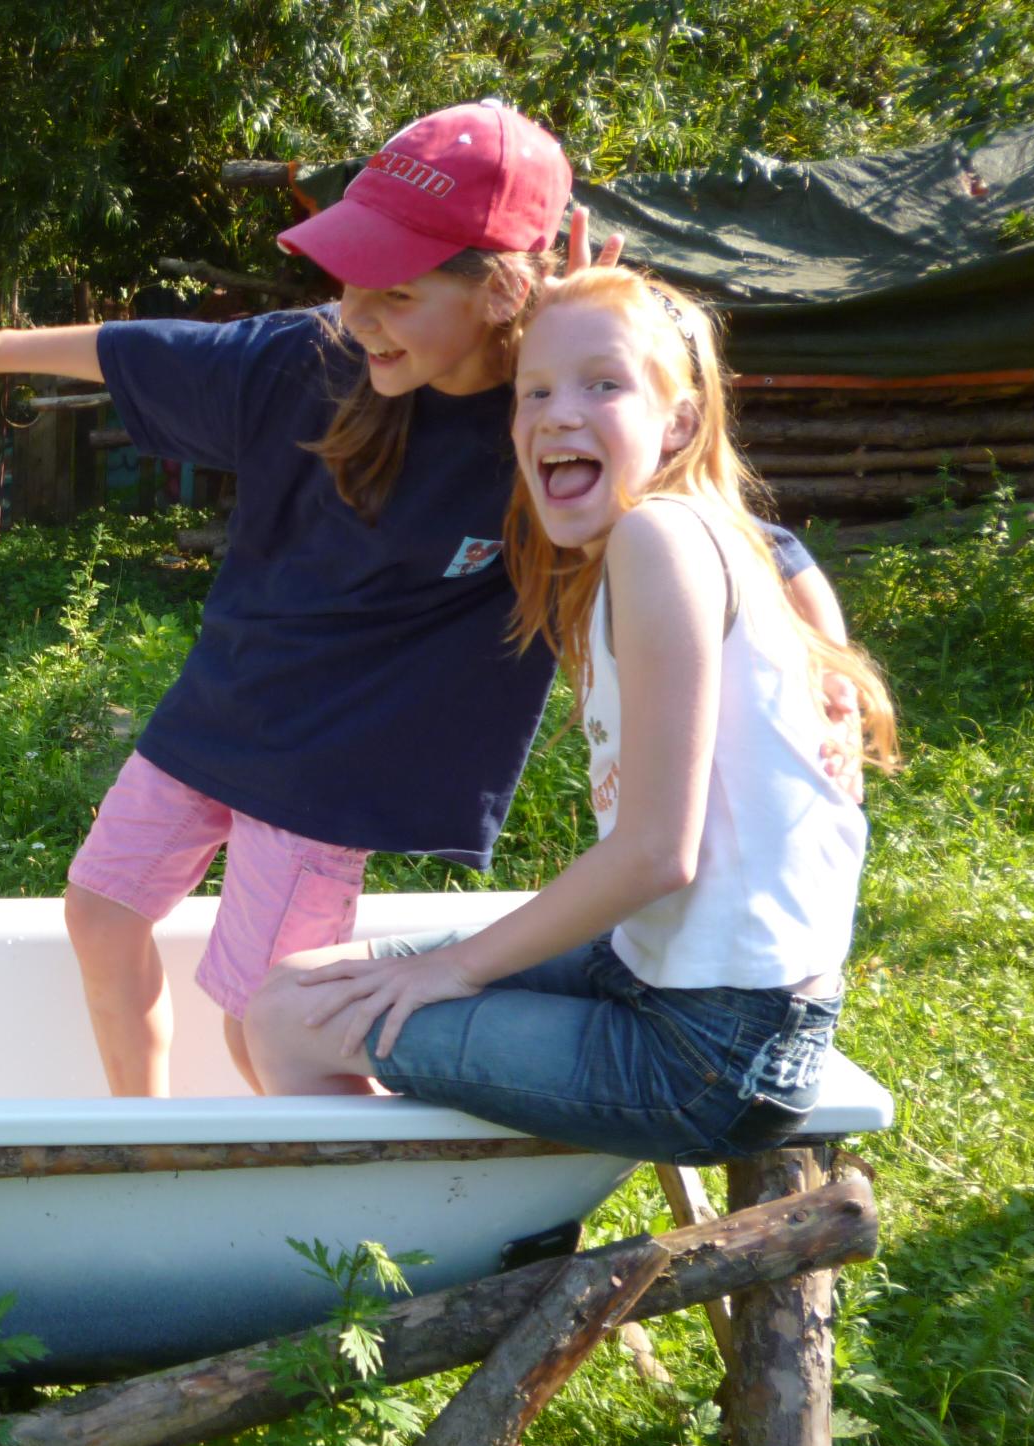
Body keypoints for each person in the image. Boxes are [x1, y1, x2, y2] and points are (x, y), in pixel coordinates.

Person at [0, 102, 847, 1098]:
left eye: (395, 292)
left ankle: (338, 1185)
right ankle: (145, 1139)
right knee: (101, 911)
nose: (357, 315)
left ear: (502, 291)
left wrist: (828, 664)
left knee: (265, 1020)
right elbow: (151, 348)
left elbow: (737, 529)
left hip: (337, 765)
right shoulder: (311, 360)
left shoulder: (547, 417)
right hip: (226, 705)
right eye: (349, 282)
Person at [243, 265, 899, 1164]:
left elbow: (657, 853)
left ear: (678, 422)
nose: (557, 415)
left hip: (710, 1049)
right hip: (666, 974)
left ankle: (386, 1244)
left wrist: (449, 970)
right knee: (296, 987)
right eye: (535, 390)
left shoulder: (658, 537)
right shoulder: (692, 532)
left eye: (603, 385)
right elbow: (784, 556)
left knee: (293, 1020)